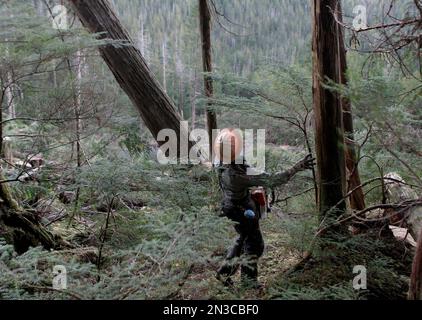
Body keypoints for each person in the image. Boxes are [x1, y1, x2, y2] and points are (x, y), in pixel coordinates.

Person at [214, 129, 315, 288]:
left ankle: (225, 273)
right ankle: (248, 282)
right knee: (254, 244)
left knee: (243, 239)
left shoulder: (219, 162)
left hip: (231, 206)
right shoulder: (239, 175)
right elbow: (273, 179)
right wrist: (298, 166)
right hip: (241, 210)